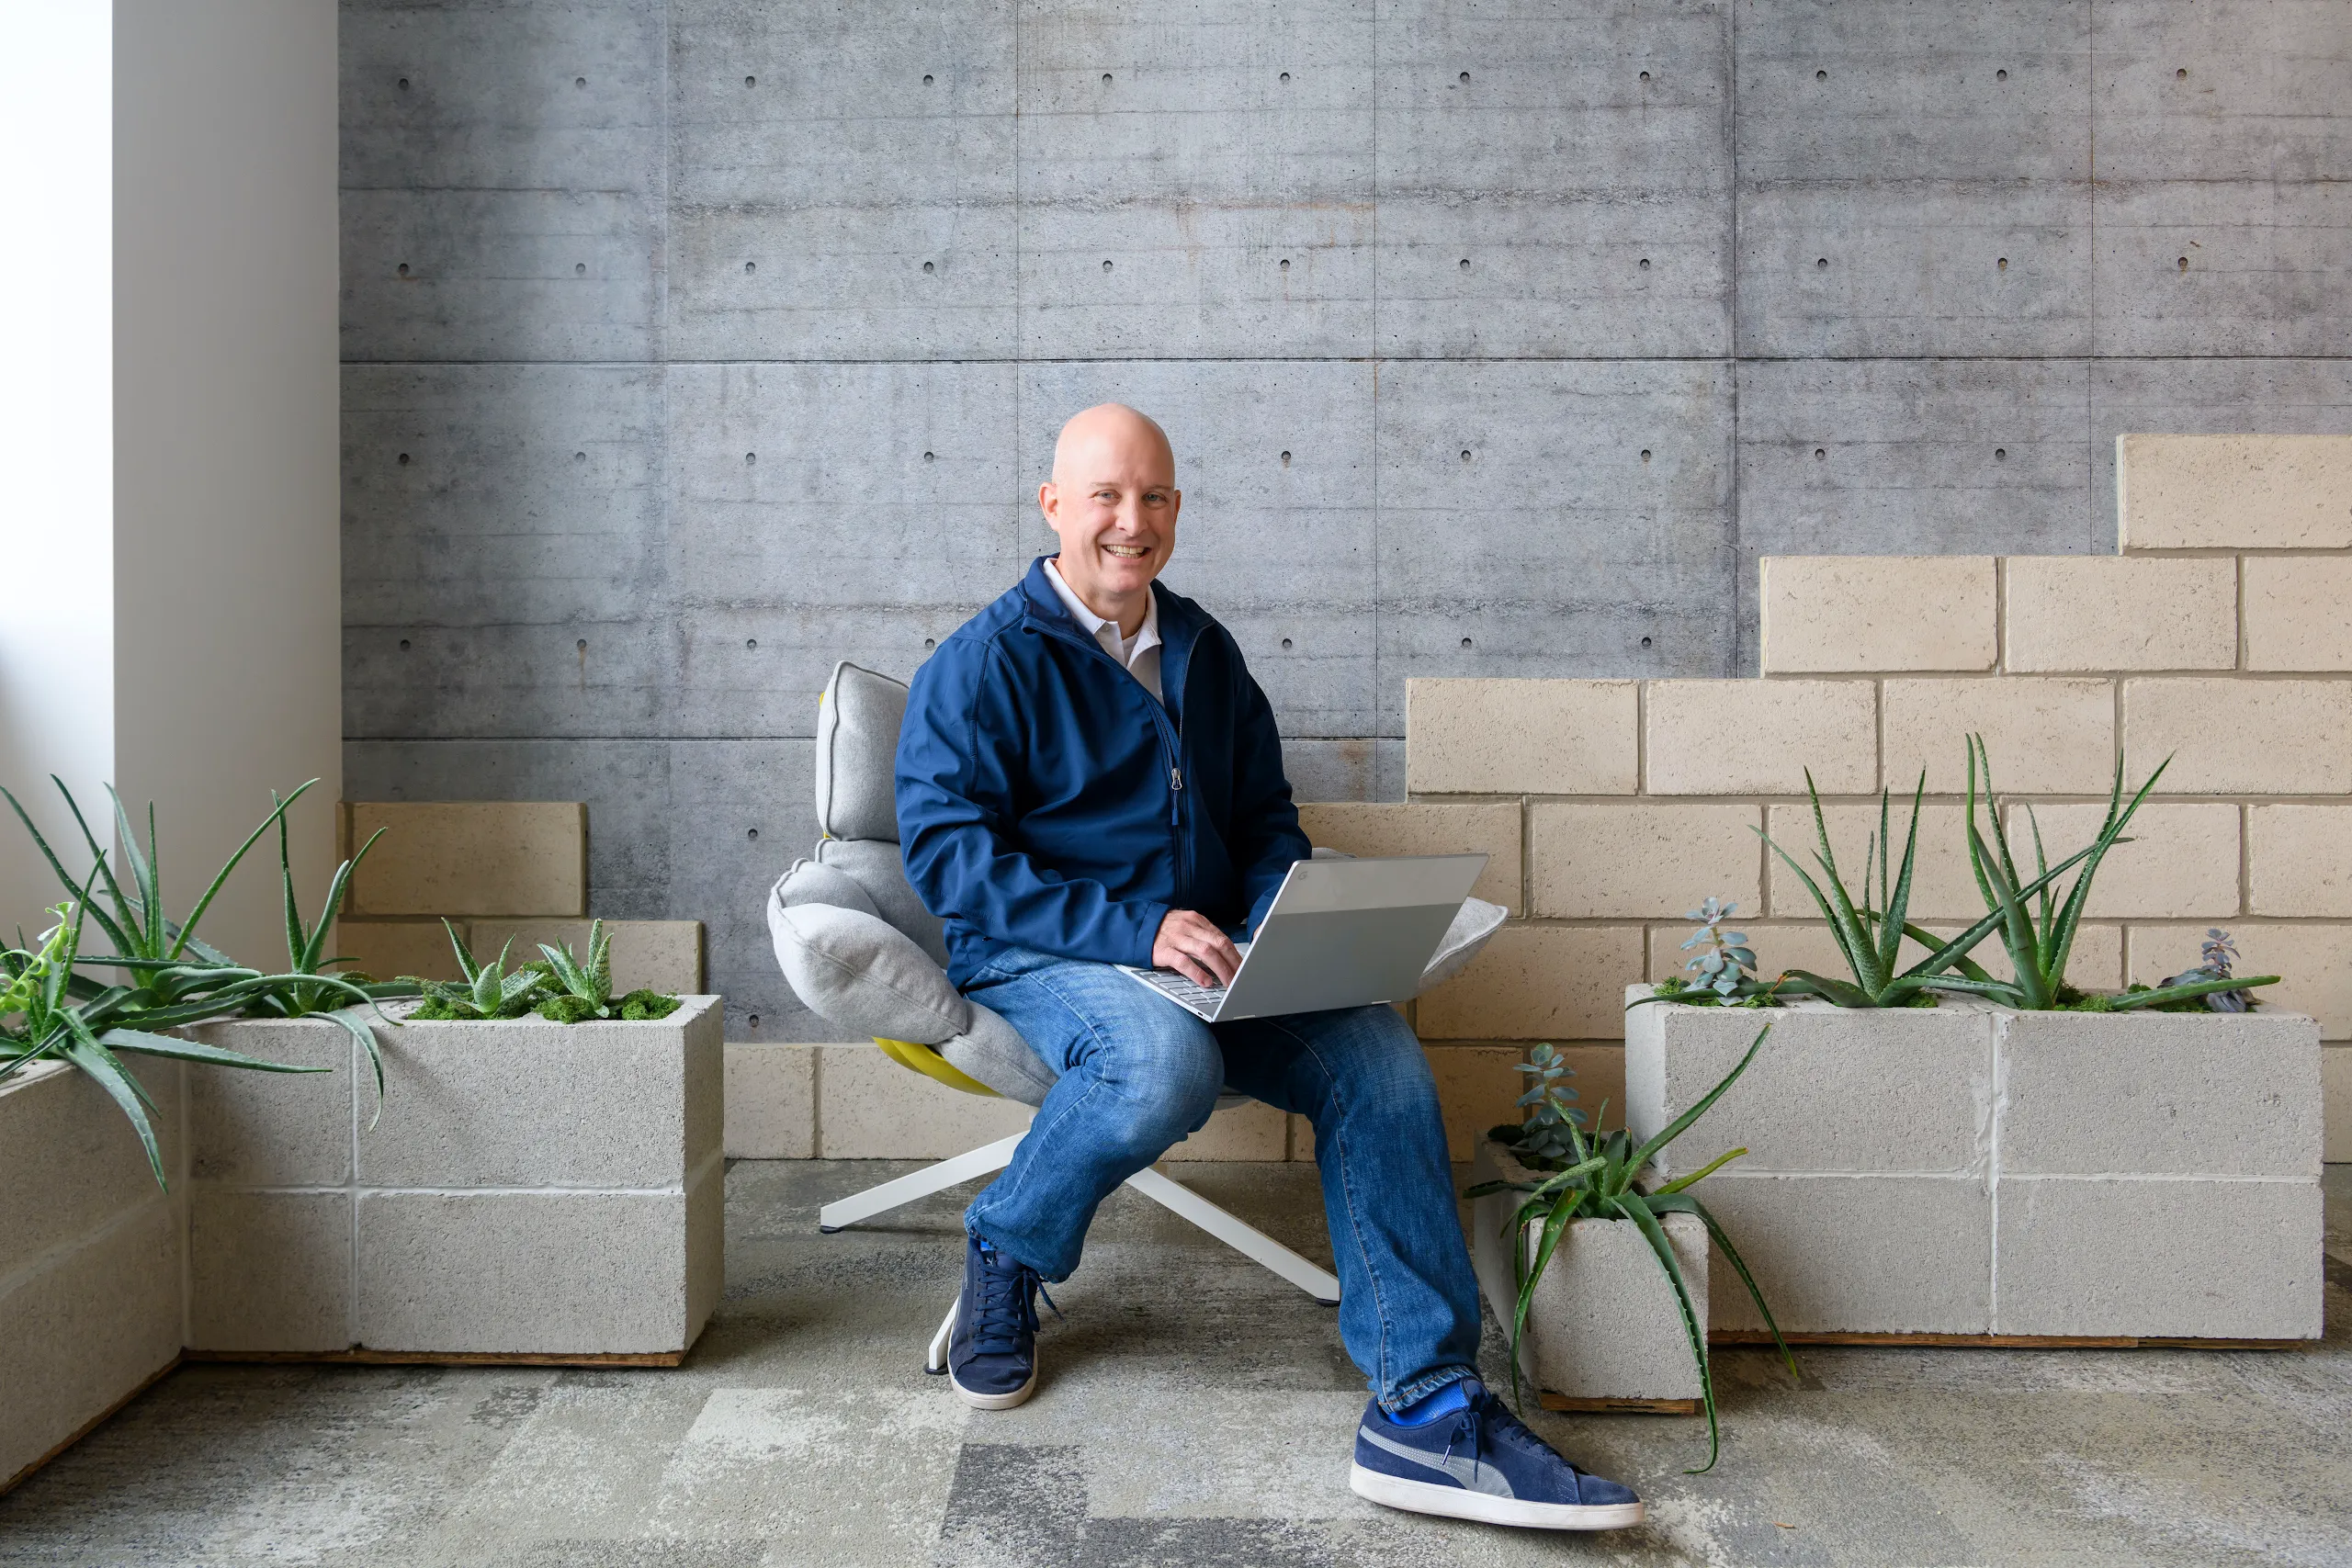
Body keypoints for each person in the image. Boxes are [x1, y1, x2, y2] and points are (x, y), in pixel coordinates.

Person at [894, 404, 1644, 1532]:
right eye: (1102, 495)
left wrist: (1278, 916)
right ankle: (1008, 1242)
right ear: (1052, 507)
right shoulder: (982, 663)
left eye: (1151, 497)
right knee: (1160, 1065)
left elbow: (1264, 819)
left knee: (1378, 1055)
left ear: (1177, 512)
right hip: (1043, 950)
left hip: (1212, 954)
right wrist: (1137, 929)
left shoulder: (1204, 650)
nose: (1128, 521)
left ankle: (1425, 1407)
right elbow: (951, 864)